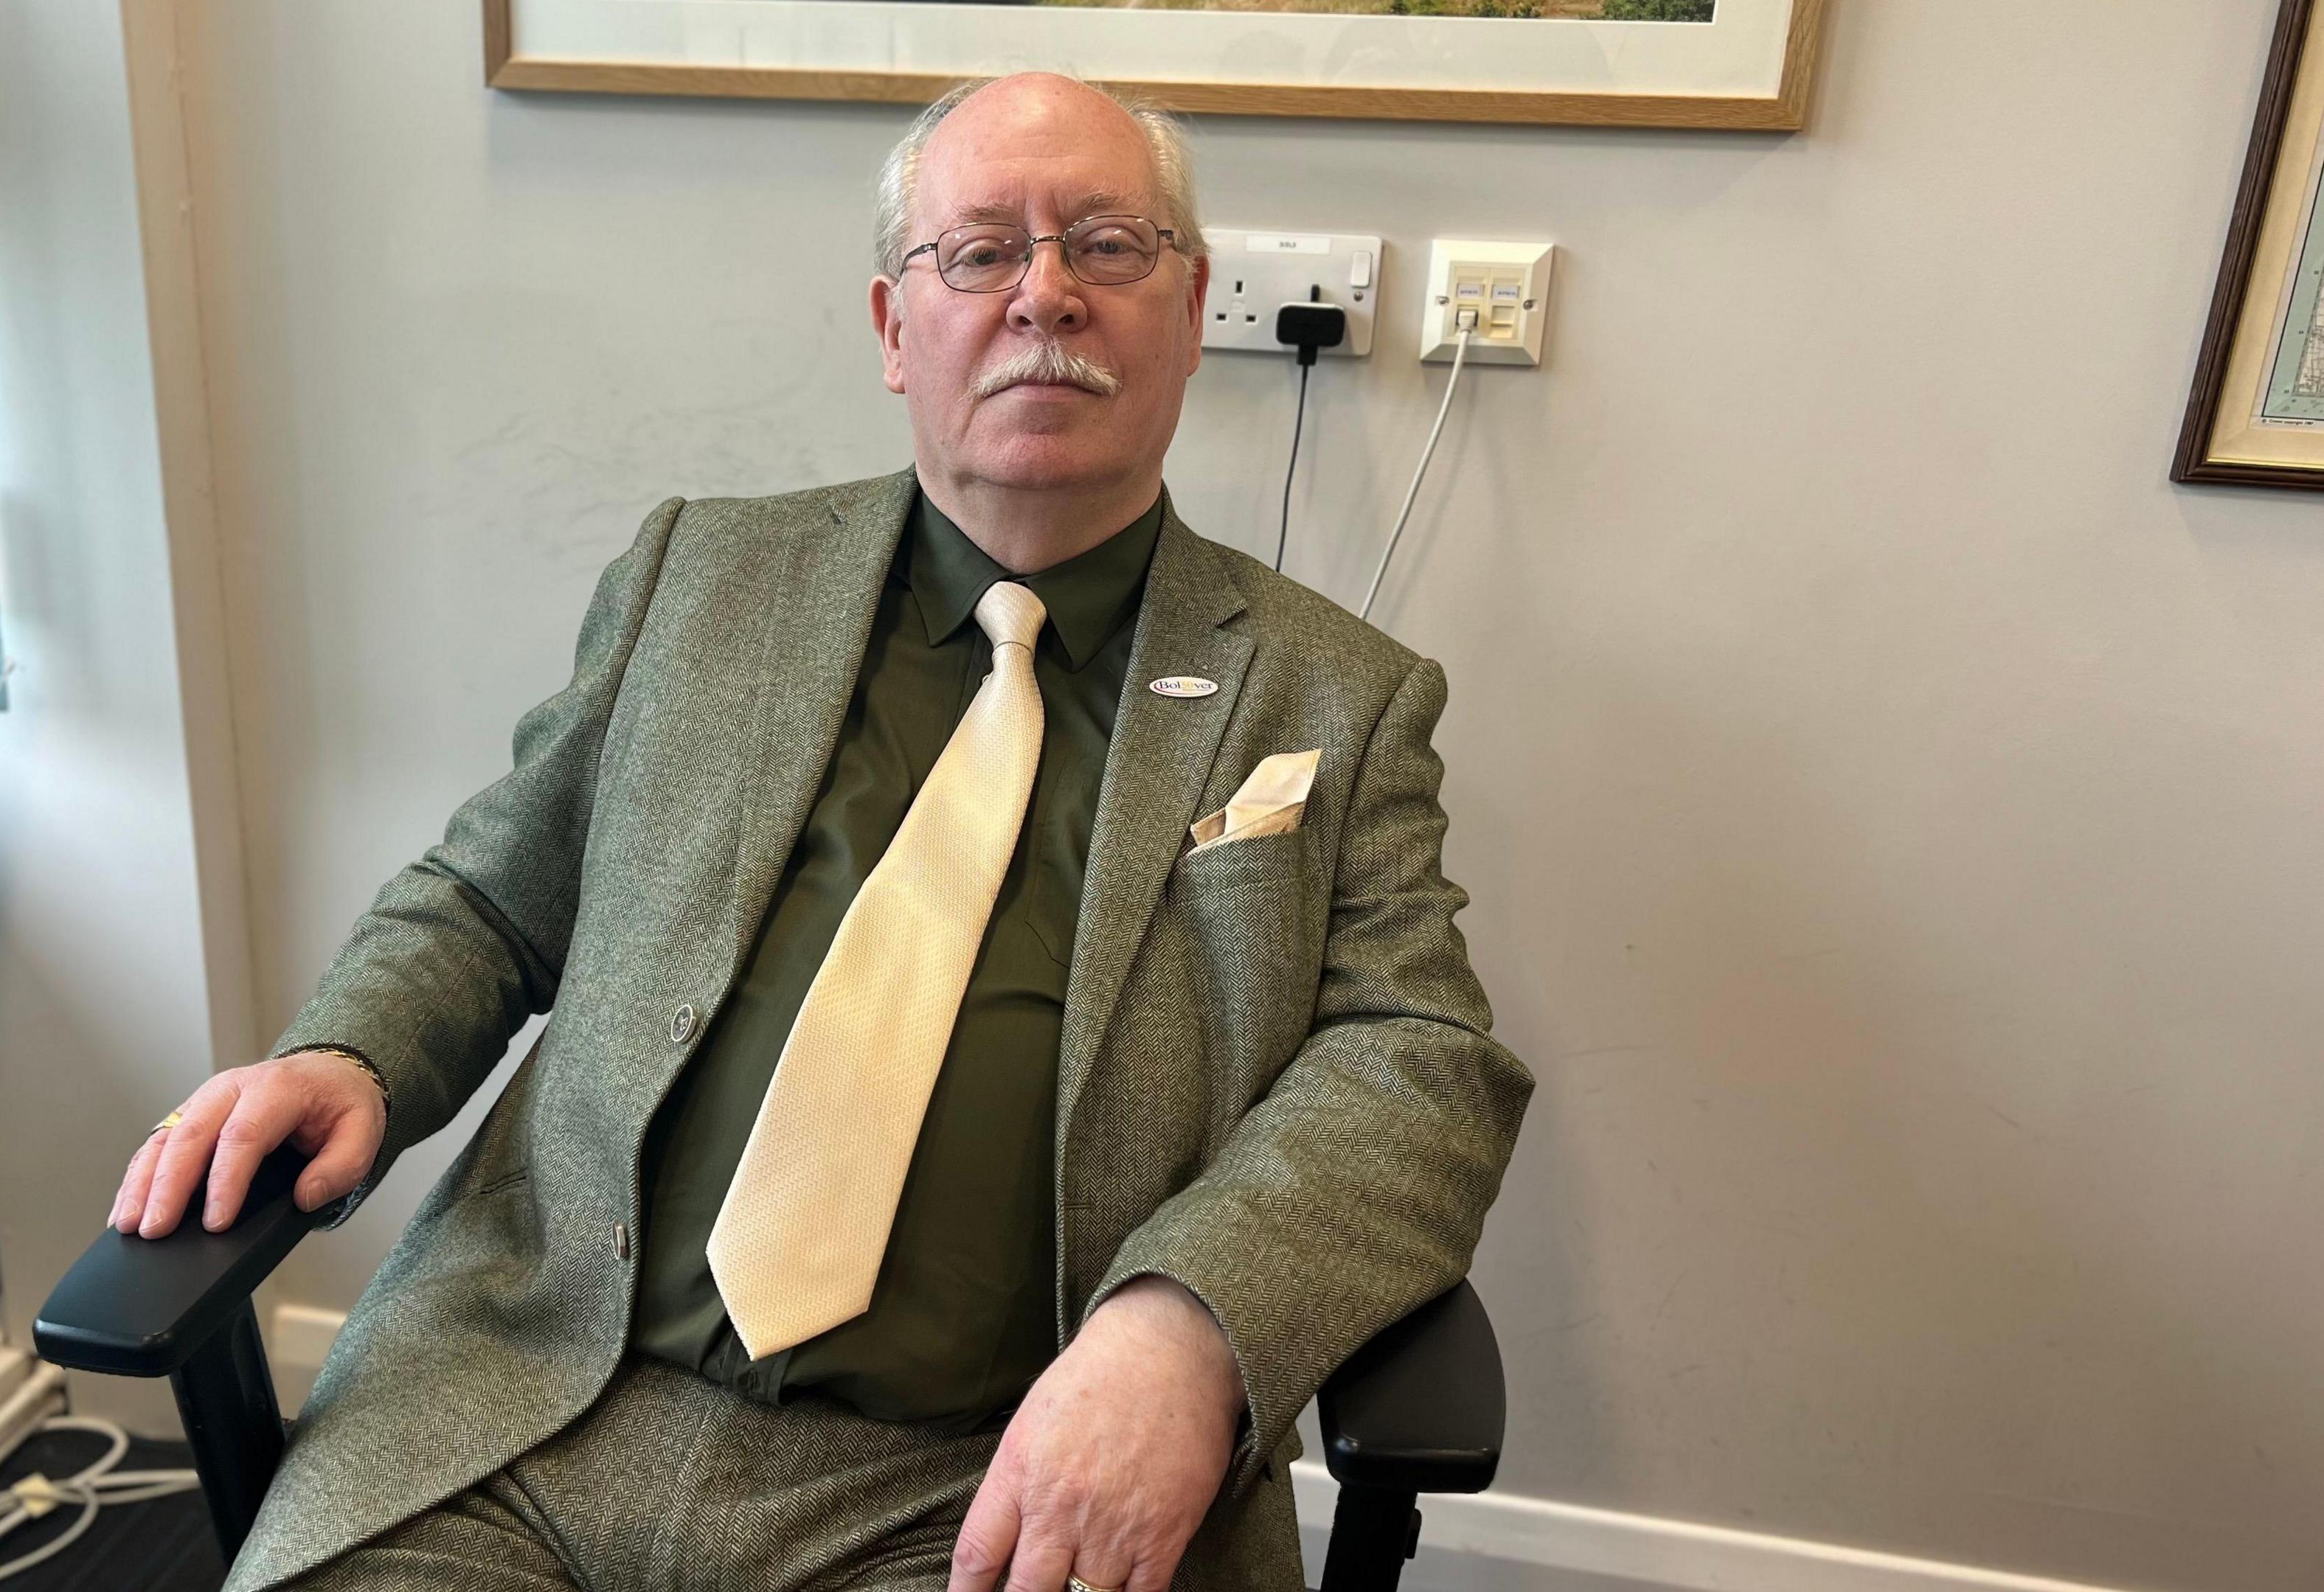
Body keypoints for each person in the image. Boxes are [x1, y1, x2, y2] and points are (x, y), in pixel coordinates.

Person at [106, 72, 1531, 1592]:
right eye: (978, 252)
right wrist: (352, 1054)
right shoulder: (700, 578)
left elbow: (1419, 1059)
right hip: (529, 1413)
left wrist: (1188, 1327)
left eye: (1108, 246)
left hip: (985, 1484)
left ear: (1189, 311)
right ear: (890, 330)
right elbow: (490, 897)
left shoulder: (1338, 694)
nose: (1044, 294)